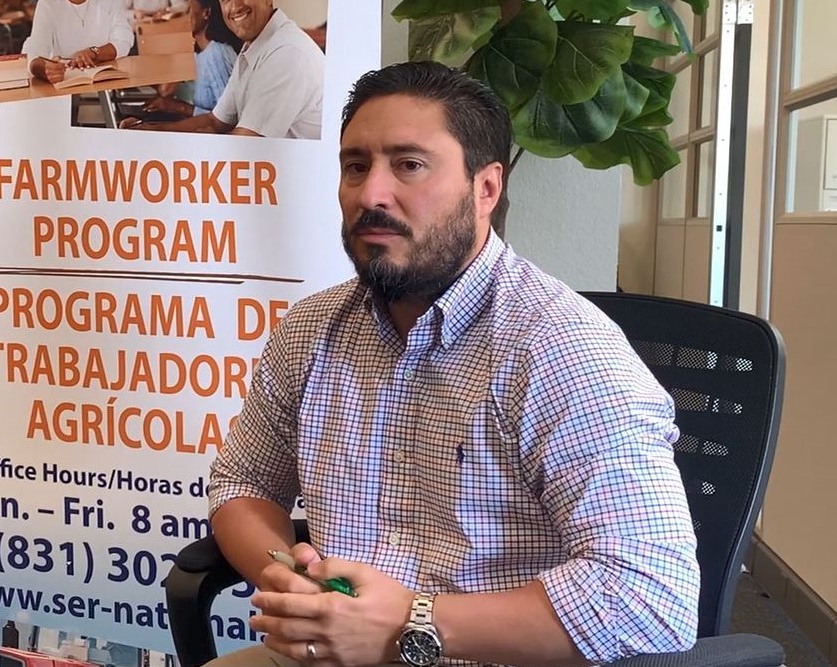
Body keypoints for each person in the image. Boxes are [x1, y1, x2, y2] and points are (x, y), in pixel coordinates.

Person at [205, 61, 701, 667]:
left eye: (409, 164)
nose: (371, 194)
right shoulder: (312, 331)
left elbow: (652, 598)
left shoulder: (560, 348)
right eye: (356, 166)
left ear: (485, 188)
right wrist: (291, 578)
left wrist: (408, 625)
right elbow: (243, 483)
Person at [120, 0, 324, 138]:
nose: (235, 6)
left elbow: (244, 146)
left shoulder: (285, 53)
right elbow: (215, 121)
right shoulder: (253, 47)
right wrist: (148, 129)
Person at [133, 0, 241, 120]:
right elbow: (165, 90)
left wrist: (177, 107)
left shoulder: (217, 53)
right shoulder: (198, 52)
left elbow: (230, 119)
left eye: (188, 8)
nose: (182, 14)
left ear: (206, 12)